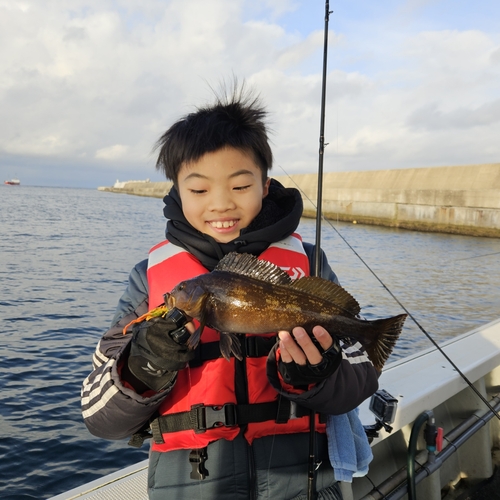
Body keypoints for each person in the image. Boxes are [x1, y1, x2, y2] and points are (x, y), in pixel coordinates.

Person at [81, 84, 379, 500]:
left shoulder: (308, 263)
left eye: (239, 186)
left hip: (304, 481)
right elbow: (98, 417)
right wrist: (143, 366)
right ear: (177, 191)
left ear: (265, 184)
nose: (220, 203)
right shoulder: (148, 278)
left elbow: (360, 379)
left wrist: (314, 374)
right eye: (199, 190)